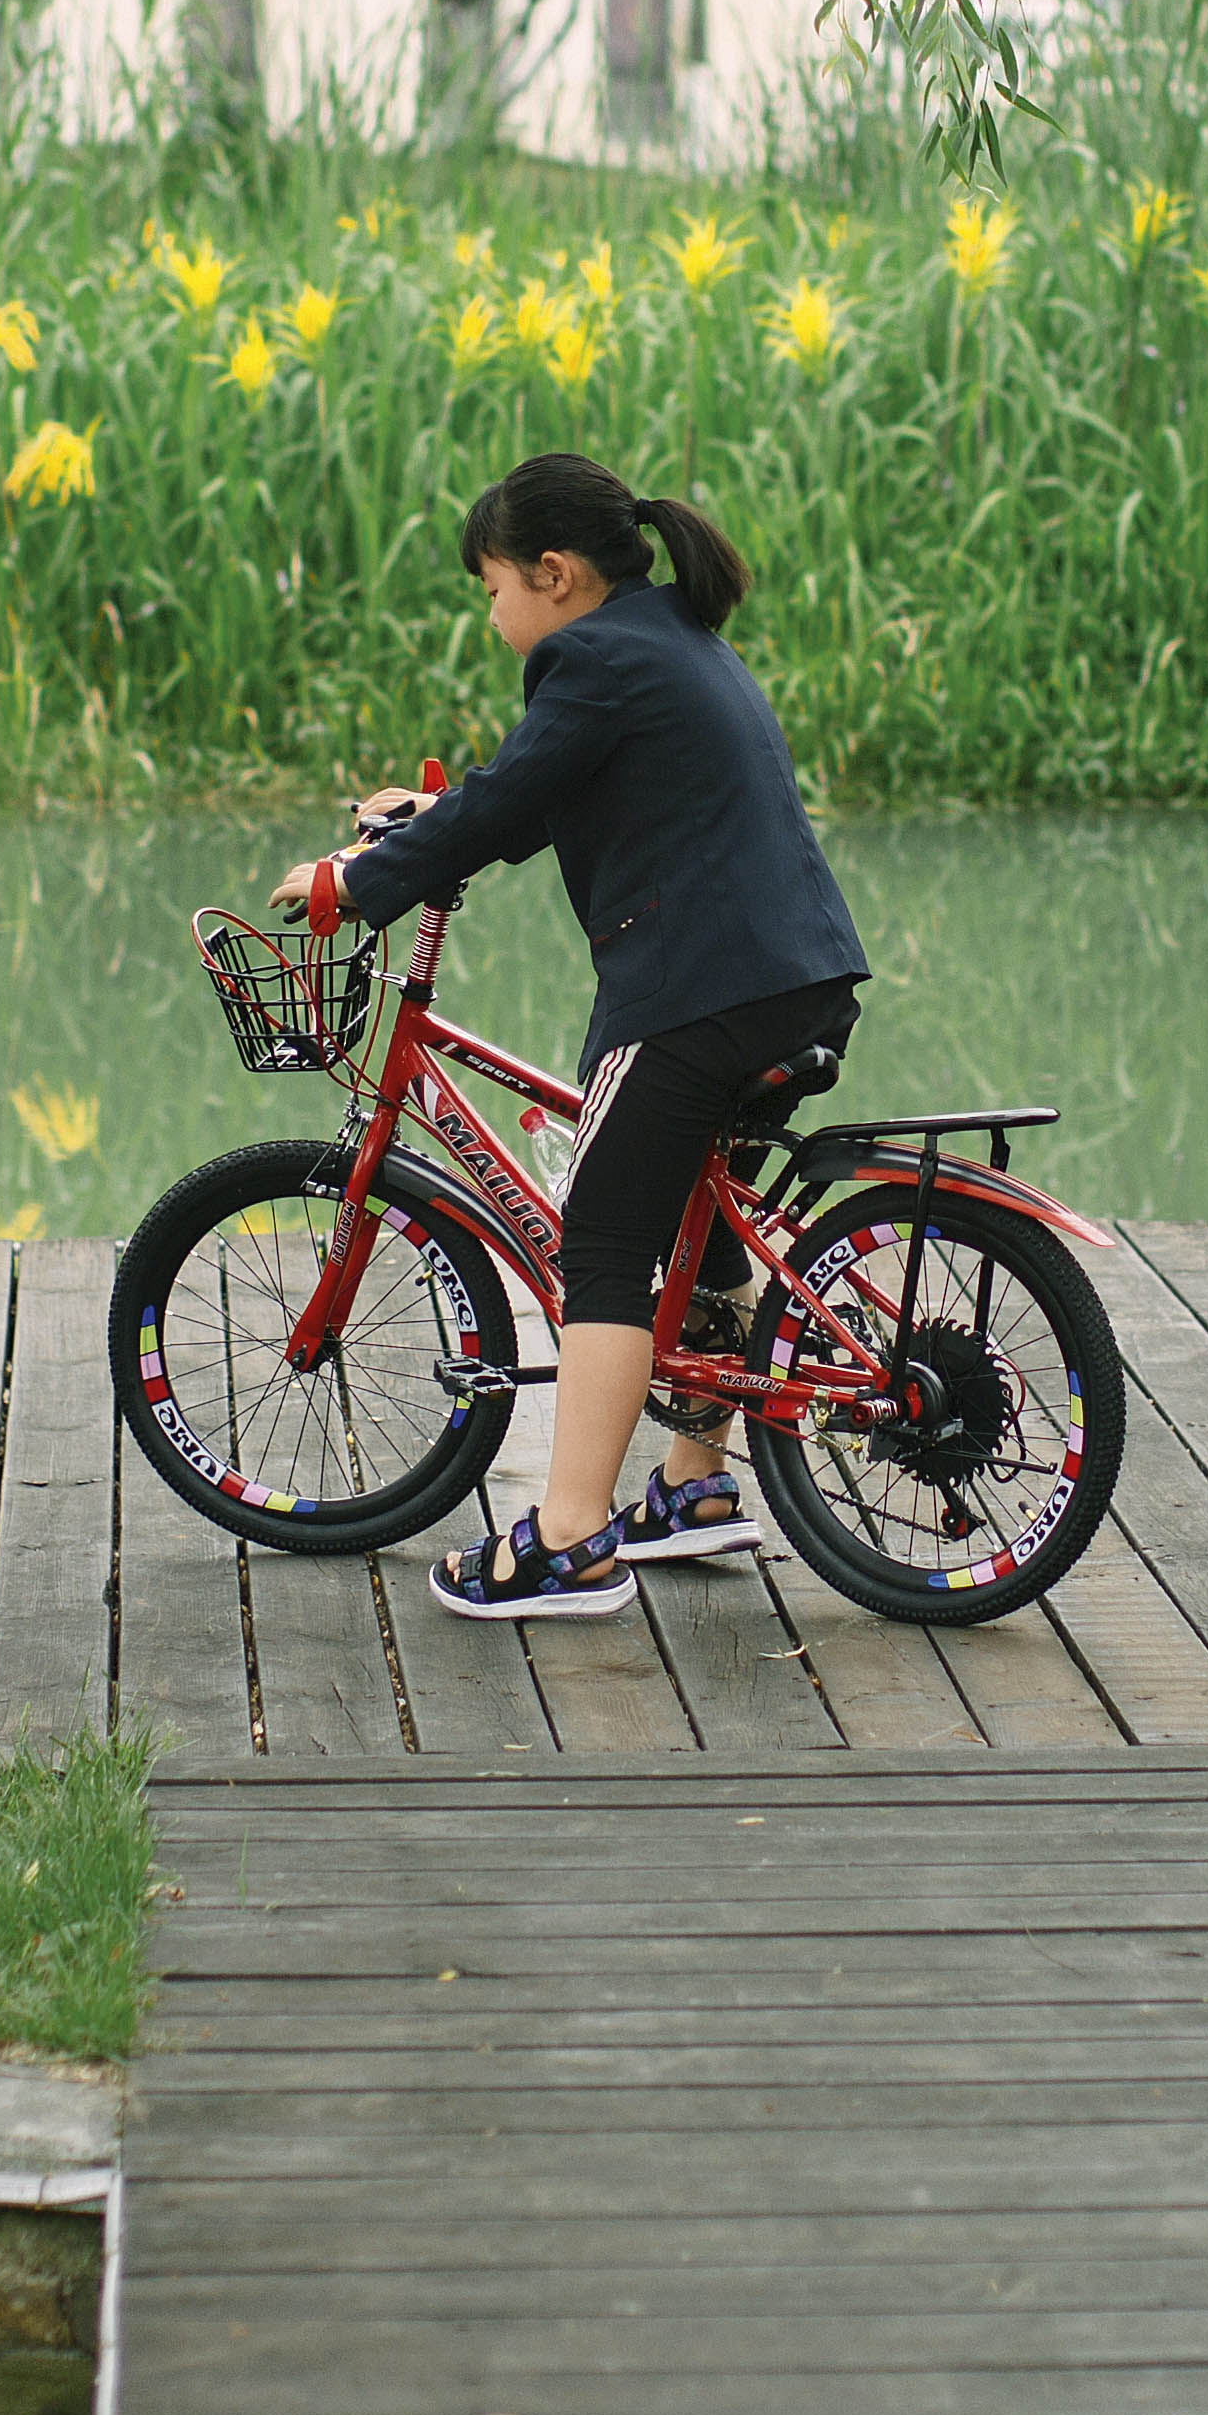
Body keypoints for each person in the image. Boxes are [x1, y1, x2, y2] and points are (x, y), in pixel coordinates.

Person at [275, 449, 867, 1620]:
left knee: (603, 1243)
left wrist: (354, 885)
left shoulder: (588, 657)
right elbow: (540, 795)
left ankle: (566, 1542)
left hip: (695, 994)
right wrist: (430, 821)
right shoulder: (669, 637)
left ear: (552, 574)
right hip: (797, 976)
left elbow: (516, 798)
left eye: (490, 589)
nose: (492, 616)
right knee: (695, 1224)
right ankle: (696, 1487)